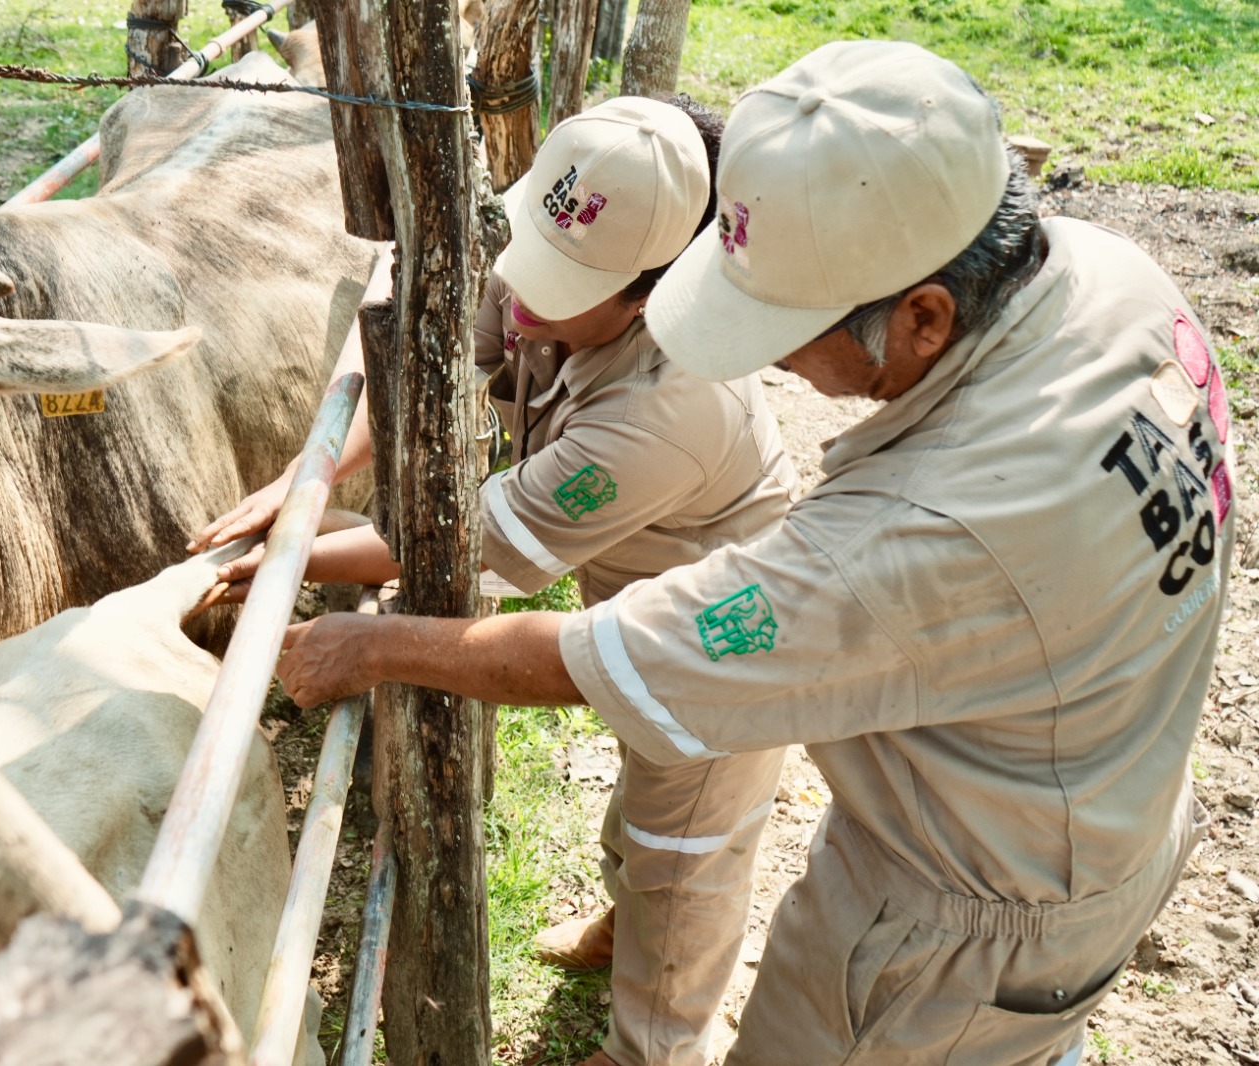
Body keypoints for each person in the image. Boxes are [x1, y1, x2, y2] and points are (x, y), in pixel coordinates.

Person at [273, 40, 1236, 1066]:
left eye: (785, 322)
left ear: (923, 316)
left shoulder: (912, 538)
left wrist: (372, 646)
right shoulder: (1107, 277)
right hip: (1091, 797)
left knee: (689, 854)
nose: (766, 354)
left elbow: (611, 658)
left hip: (964, 923)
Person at [195, 96, 798, 1066]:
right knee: (644, 797)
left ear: (651, 296)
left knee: (686, 841)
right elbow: (428, 366)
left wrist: (294, 549)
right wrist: (309, 475)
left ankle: (651, 1047)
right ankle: (627, 923)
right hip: (628, 581)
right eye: (526, 251)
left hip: (720, 637)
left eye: (561, 282)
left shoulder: (669, 409)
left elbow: (463, 542)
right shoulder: (536, 280)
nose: (518, 289)